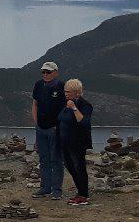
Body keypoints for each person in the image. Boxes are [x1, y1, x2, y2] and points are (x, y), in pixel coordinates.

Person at [30, 61, 66, 200]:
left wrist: (60, 126)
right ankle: (45, 187)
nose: (45, 74)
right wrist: (36, 123)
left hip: (54, 129)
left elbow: (66, 108)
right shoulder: (38, 85)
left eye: (48, 72)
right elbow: (34, 104)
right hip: (41, 129)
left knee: (56, 159)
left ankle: (57, 190)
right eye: (43, 72)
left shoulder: (61, 86)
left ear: (55, 73)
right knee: (44, 159)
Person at [59, 78, 95, 206]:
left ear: (77, 92)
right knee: (70, 166)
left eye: (69, 91)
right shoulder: (66, 103)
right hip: (65, 141)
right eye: (65, 91)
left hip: (78, 142)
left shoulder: (85, 105)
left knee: (79, 167)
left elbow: (84, 122)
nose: (66, 94)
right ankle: (80, 191)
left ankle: (84, 195)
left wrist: (74, 108)